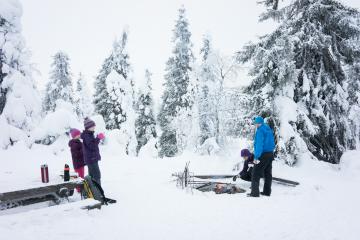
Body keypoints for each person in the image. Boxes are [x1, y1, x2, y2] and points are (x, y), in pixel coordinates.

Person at [248, 116, 275, 197]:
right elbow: (272, 142)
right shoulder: (268, 129)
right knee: (267, 174)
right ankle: (267, 192)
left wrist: (256, 157)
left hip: (262, 154)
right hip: (270, 154)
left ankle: (254, 193)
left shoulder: (260, 131)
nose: (255, 125)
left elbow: (259, 145)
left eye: (256, 123)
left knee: (255, 173)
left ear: (258, 123)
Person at [81, 117, 105, 185]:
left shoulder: (88, 134)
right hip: (91, 158)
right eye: (93, 126)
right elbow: (92, 146)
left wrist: (97, 138)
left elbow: (91, 144)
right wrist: (98, 138)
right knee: (96, 175)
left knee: (91, 175)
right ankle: (97, 192)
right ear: (88, 127)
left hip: (91, 158)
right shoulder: (87, 135)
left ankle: (92, 191)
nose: (94, 127)